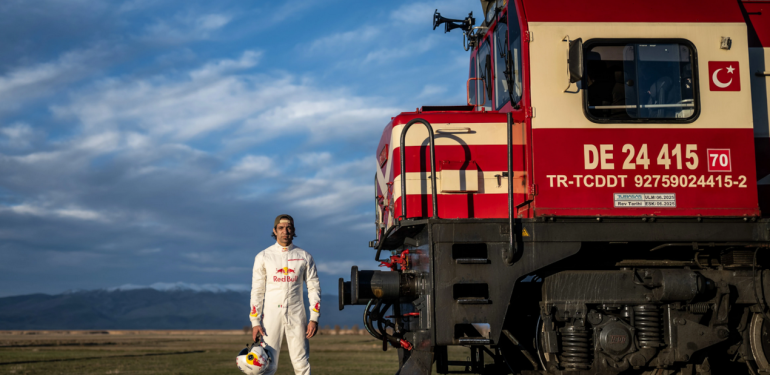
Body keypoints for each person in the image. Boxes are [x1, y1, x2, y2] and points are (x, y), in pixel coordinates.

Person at [249, 214, 321, 375]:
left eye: (288, 228)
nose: (285, 231)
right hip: (271, 316)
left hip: (297, 314)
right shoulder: (263, 257)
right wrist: (255, 321)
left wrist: (313, 318)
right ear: (274, 231)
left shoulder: (304, 256)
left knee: (301, 364)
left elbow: (314, 288)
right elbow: (257, 290)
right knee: (267, 364)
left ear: (293, 230)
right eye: (281, 228)